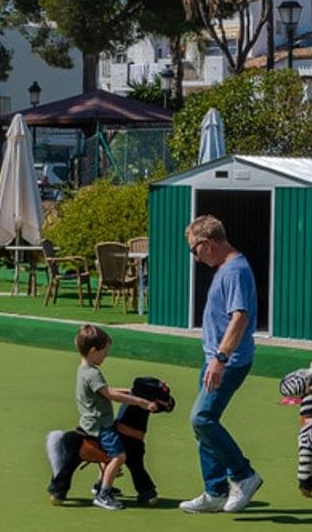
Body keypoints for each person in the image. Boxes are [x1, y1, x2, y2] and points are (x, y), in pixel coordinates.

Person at [179, 215, 262, 514]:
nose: (195, 256)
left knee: (201, 419)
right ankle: (214, 491)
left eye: (194, 250)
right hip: (214, 359)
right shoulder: (225, 268)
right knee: (205, 425)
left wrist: (221, 359)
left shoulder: (235, 271)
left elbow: (240, 317)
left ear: (208, 243)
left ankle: (244, 475)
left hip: (229, 361)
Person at [50, 325, 161, 511]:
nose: (105, 356)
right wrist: (141, 402)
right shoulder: (93, 373)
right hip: (100, 425)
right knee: (119, 456)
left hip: (88, 422)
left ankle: (92, 485)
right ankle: (104, 494)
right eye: (104, 352)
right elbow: (109, 394)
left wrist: (128, 390)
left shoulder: (84, 370)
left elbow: (104, 390)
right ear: (93, 351)